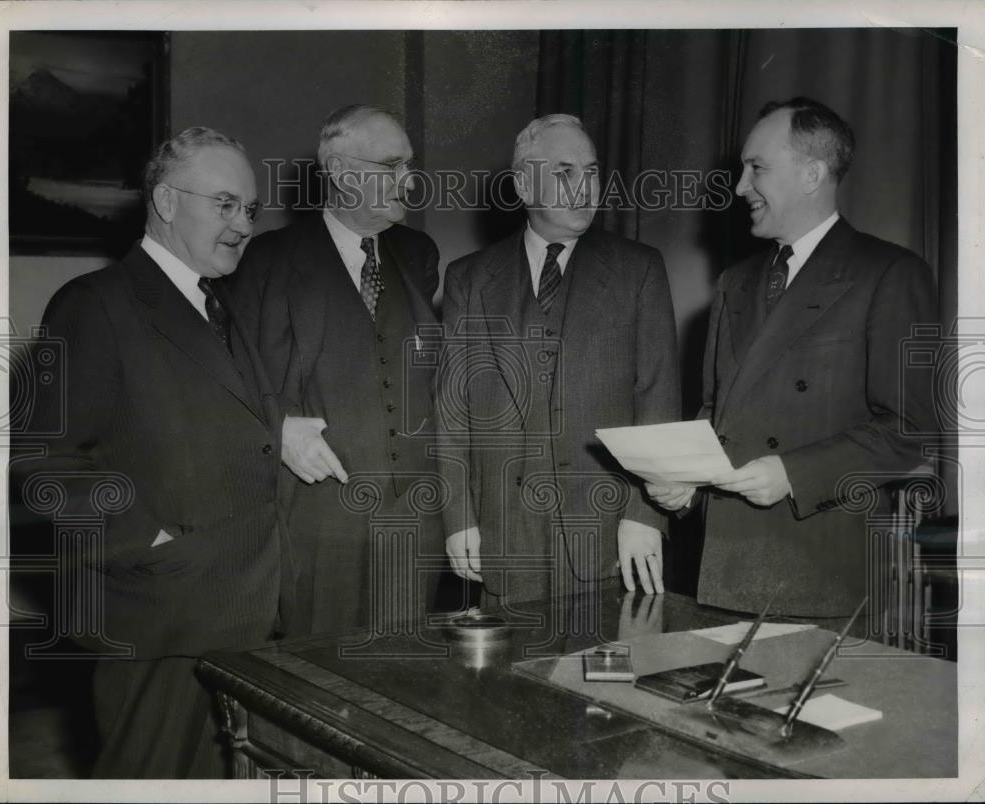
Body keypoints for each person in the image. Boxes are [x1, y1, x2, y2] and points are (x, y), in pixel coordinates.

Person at [18, 127, 285, 777]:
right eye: (224, 204)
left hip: (241, 610)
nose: (243, 224)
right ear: (166, 202)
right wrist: (153, 540)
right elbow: (40, 462)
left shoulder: (221, 305)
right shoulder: (94, 305)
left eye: (249, 209)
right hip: (161, 611)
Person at [647, 97, 938, 617]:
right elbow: (717, 416)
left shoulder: (890, 273)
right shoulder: (735, 281)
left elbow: (911, 431)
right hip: (722, 571)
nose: (739, 187)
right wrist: (685, 483)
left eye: (756, 168)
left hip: (822, 578)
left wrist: (794, 473)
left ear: (811, 175)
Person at [437, 114, 680, 608]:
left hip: (610, 534)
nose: (584, 187)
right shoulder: (468, 277)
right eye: (565, 172)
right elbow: (451, 410)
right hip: (503, 533)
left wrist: (644, 514)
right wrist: (459, 516)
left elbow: (659, 399)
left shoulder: (639, 269)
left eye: (591, 172)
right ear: (524, 184)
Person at [229, 104, 442, 636]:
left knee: (404, 679)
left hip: (415, 521)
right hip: (316, 525)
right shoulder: (264, 262)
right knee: (319, 682)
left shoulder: (418, 254)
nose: (409, 180)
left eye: (410, 165)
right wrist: (276, 428)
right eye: (392, 166)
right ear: (343, 174)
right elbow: (229, 380)